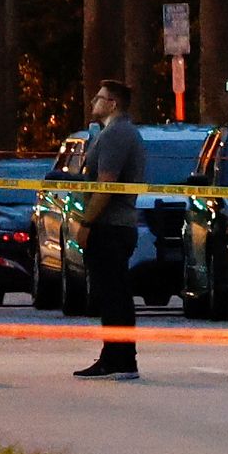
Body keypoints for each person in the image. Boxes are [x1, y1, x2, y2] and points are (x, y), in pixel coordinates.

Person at [75, 81, 147, 378]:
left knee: (113, 293)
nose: (94, 101)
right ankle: (114, 355)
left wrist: (86, 223)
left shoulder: (116, 134)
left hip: (111, 226)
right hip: (114, 225)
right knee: (111, 293)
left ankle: (120, 358)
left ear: (113, 103)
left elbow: (106, 184)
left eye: (100, 97)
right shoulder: (112, 132)